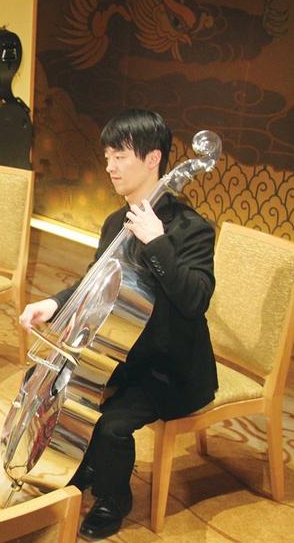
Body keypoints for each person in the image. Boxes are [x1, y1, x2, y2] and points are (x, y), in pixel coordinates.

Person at [19, 109, 218, 539]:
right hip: (120, 351)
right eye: (107, 156)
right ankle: (83, 464)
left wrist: (157, 241)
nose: (109, 166)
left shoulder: (192, 229)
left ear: (153, 159)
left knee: (110, 423)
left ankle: (113, 499)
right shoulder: (115, 222)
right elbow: (94, 284)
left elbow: (194, 301)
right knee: (58, 385)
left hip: (170, 368)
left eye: (120, 156)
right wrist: (53, 304)